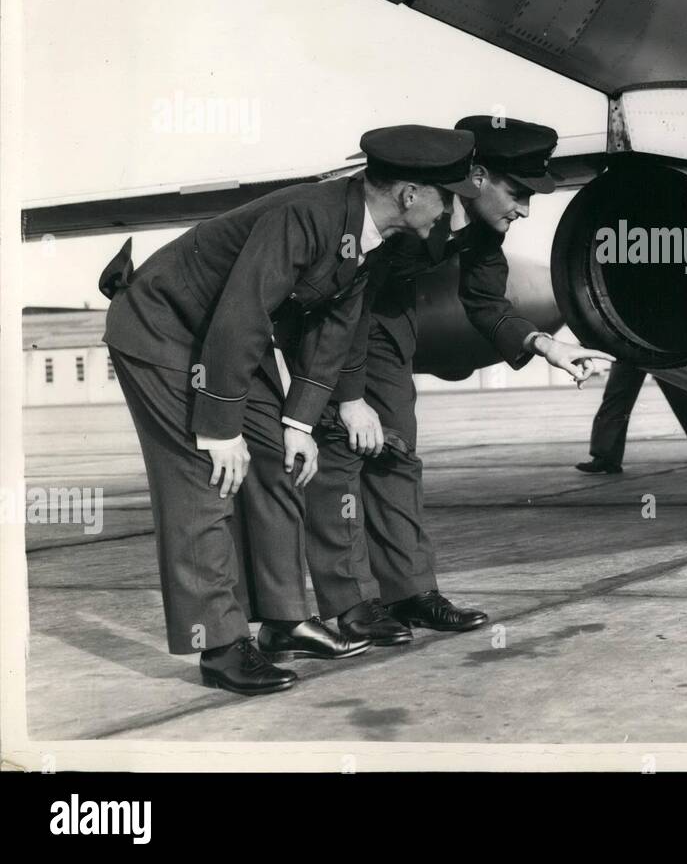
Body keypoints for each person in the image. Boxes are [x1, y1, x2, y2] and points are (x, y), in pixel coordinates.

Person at [101, 125, 479, 695]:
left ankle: (282, 622)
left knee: (279, 458)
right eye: (447, 198)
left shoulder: (365, 235)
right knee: (205, 479)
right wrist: (220, 425)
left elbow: (337, 333)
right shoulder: (306, 215)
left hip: (221, 342)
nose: (449, 213)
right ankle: (222, 646)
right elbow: (244, 313)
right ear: (409, 194)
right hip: (163, 329)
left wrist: (302, 421)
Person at [306, 116, 613, 645]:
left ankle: (409, 592)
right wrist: (350, 395)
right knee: (341, 451)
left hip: (384, 316)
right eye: (517, 192)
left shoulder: (484, 227)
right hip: (327, 312)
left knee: (396, 449)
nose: (523, 209)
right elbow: (338, 288)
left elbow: (486, 302)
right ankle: (351, 604)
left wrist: (546, 344)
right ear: (476, 176)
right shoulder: (409, 196)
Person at [576, 361, 687, 474]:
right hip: (639, 343)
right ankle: (605, 457)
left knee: (682, 395)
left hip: (653, 341)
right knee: (617, 394)